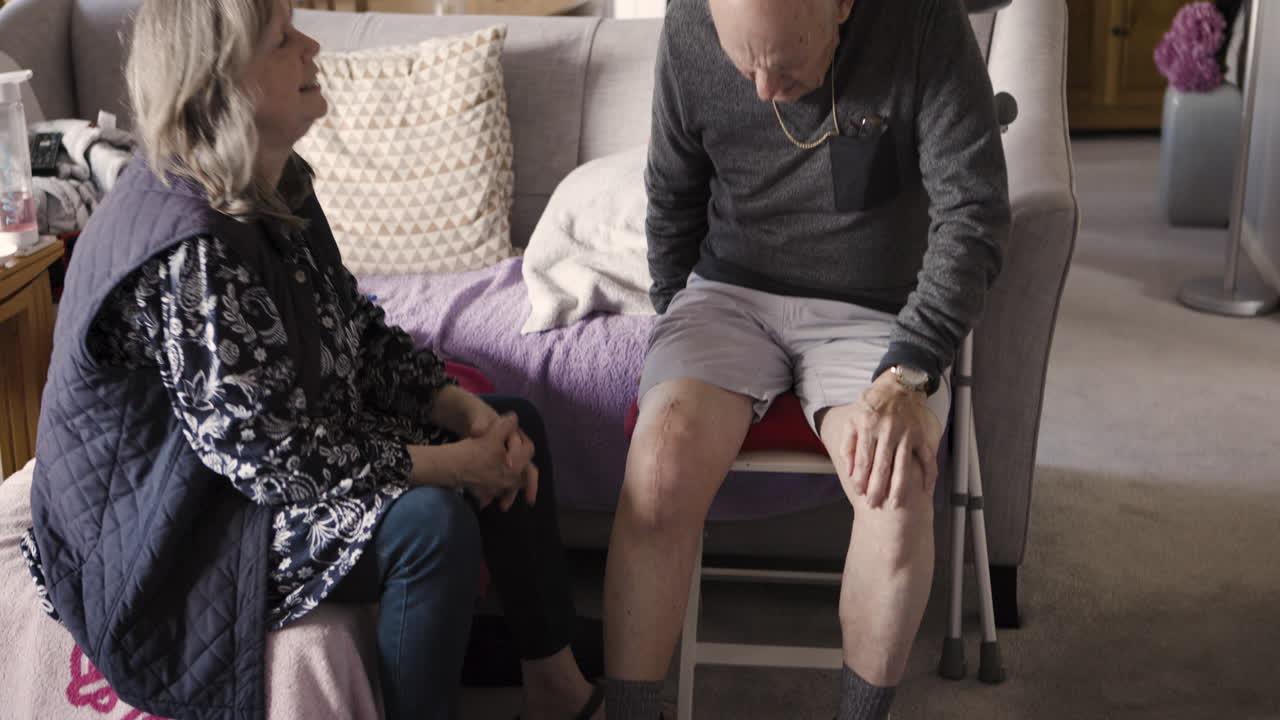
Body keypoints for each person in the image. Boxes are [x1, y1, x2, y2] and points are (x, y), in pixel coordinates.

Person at [19, 1, 603, 718]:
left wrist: (463, 412)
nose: (312, 46)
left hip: (233, 470)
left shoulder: (272, 178)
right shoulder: (190, 246)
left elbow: (351, 329)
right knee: (428, 526)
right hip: (169, 527)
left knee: (513, 421)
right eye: (283, 40)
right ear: (221, 82)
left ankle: (557, 689)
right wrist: (458, 465)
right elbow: (272, 461)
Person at [601, 0, 1010, 718]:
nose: (763, 90)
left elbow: (973, 213)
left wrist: (911, 369)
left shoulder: (922, 21)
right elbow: (672, 186)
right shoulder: (691, 19)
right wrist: (677, 316)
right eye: (744, 65)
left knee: (895, 486)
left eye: (784, 65)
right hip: (729, 292)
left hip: (878, 313)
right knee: (659, 467)